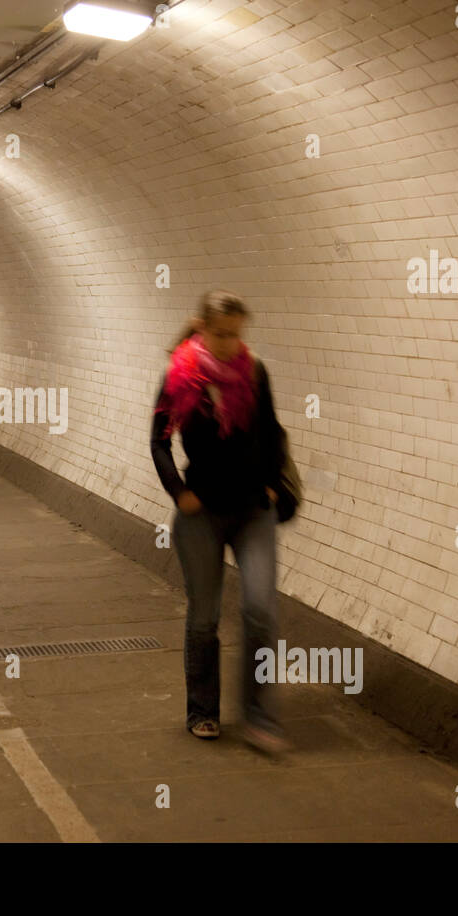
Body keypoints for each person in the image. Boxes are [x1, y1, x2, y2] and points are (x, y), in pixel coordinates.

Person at [150, 290, 292, 755]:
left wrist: (272, 483)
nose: (232, 343)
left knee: (260, 611)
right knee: (204, 616)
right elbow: (160, 440)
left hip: (254, 511)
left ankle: (258, 718)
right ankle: (203, 711)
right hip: (203, 513)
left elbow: (271, 429)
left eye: (237, 334)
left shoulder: (254, 371)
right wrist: (179, 492)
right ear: (203, 329)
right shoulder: (180, 377)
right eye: (223, 334)